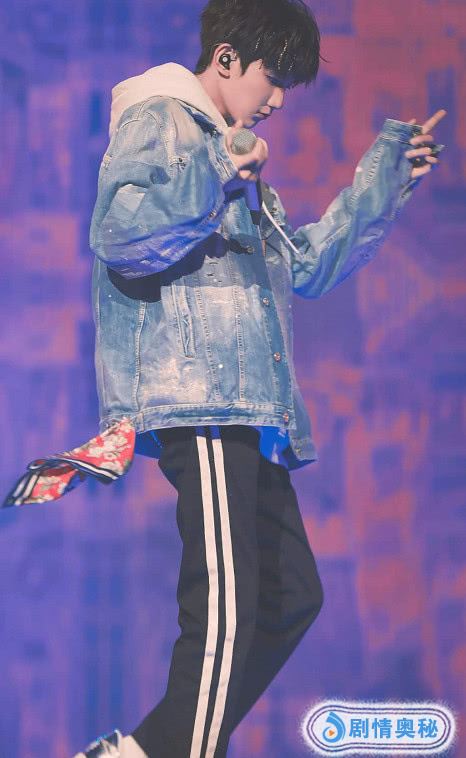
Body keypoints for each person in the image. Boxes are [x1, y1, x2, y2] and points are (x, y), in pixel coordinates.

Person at [60, 0, 444, 756]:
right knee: (226, 612)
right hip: (199, 395)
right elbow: (120, 233)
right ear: (227, 59)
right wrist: (214, 171)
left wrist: (386, 178)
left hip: (247, 406)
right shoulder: (163, 118)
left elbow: (304, 266)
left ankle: (144, 751)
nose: (277, 101)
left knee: (290, 595)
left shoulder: (227, 152)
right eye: (273, 78)